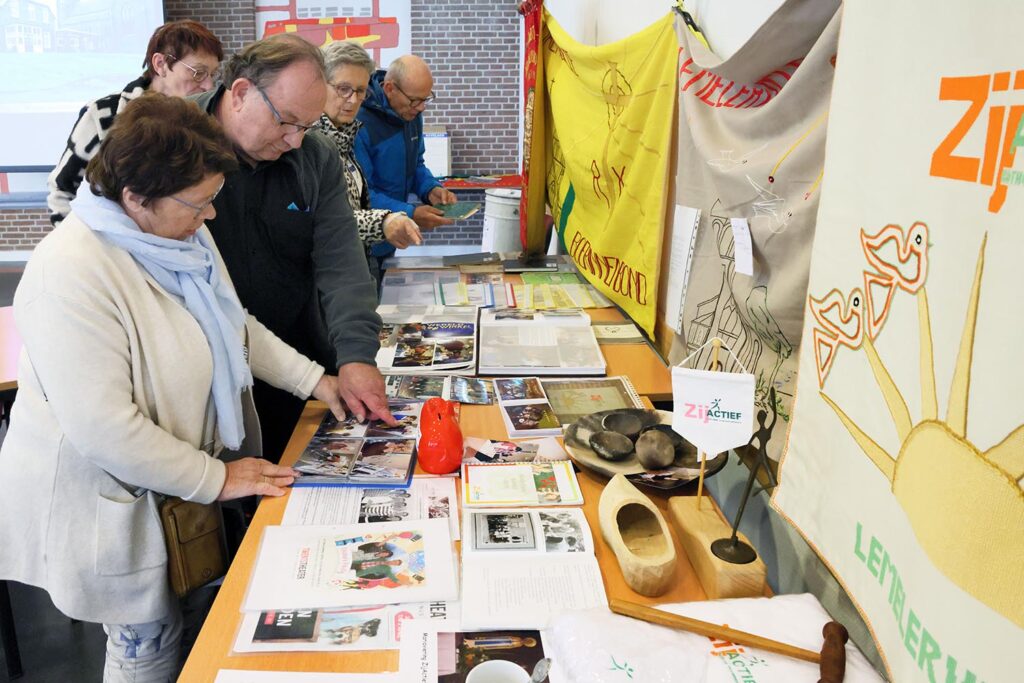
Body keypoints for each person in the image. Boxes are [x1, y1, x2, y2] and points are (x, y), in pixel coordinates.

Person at [0, 93, 348, 682]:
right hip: (109, 503)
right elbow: (106, 428)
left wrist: (316, 381)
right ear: (136, 197)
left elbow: (233, 323)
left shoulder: (177, 233)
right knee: (147, 642)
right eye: (200, 203)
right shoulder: (71, 273)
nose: (210, 217)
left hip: (176, 486)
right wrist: (218, 477)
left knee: (189, 621)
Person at [192, 34, 396, 462]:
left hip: (300, 369)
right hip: (204, 380)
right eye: (286, 122)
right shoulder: (177, 145)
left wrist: (357, 355)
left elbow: (342, 263)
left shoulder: (314, 157)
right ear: (242, 93)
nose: (295, 140)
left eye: (305, 126)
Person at [47, 20, 223, 226]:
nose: (209, 85)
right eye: (198, 73)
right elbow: (62, 190)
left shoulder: (206, 122)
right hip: (109, 249)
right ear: (161, 64)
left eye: (213, 74)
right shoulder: (104, 114)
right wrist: (84, 249)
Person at [316, 41, 423, 274]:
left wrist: (429, 188)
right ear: (319, 85)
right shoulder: (307, 143)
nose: (353, 100)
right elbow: (324, 220)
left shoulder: (345, 134)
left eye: (360, 90)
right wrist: (384, 221)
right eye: (343, 88)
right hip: (327, 277)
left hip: (355, 264)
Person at [355, 55, 459, 268]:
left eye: (426, 99)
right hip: (363, 243)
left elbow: (416, 164)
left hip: (393, 237)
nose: (421, 108)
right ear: (390, 88)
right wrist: (410, 212)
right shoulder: (358, 123)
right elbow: (361, 194)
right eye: (415, 100)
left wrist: (430, 189)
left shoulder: (411, 115)